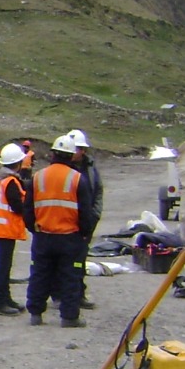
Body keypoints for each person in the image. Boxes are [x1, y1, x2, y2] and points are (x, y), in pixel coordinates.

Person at [23, 135, 99, 328]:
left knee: (39, 275)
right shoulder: (77, 179)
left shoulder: (38, 177)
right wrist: (84, 233)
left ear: (52, 154)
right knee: (70, 277)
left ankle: (35, 313)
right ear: (71, 155)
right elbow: (85, 211)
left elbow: (28, 210)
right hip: (69, 238)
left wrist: (35, 229)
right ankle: (69, 317)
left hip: (43, 236)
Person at [0, 143, 28, 315]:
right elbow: (18, 206)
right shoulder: (11, 182)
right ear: (17, 163)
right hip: (6, 228)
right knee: (3, 267)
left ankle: (5, 299)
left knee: (4, 265)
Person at [66, 129, 103, 310]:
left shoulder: (90, 169)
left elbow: (98, 192)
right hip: (66, 223)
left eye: (79, 149)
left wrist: (94, 216)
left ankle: (79, 294)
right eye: (74, 149)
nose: (77, 152)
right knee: (62, 262)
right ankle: (61, 295)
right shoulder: (63, 169)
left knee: (79, 261)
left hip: (85, 223)